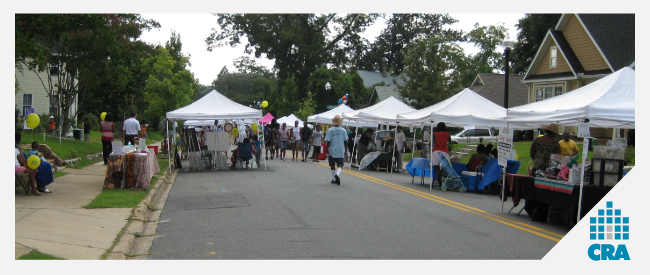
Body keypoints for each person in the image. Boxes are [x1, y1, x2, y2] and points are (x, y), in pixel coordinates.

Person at [325, 115, 348, 185]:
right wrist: (346, 150)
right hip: (340, 149)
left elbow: (328, 141)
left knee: (332, 165)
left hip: (332, 150)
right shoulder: (343, 130)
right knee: (340, 165)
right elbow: (345, 141)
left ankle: (334, 178)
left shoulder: (330, 130)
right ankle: (337, 174)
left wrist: (327, 148)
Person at [431, 122, 451, 188]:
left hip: (436, 151)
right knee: (446, 169)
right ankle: (446, 182)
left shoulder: (434, 134)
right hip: (445, 151)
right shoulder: (447, 133)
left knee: (437, 169)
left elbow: (432, 142)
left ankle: (439, 183)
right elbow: (449, 141)